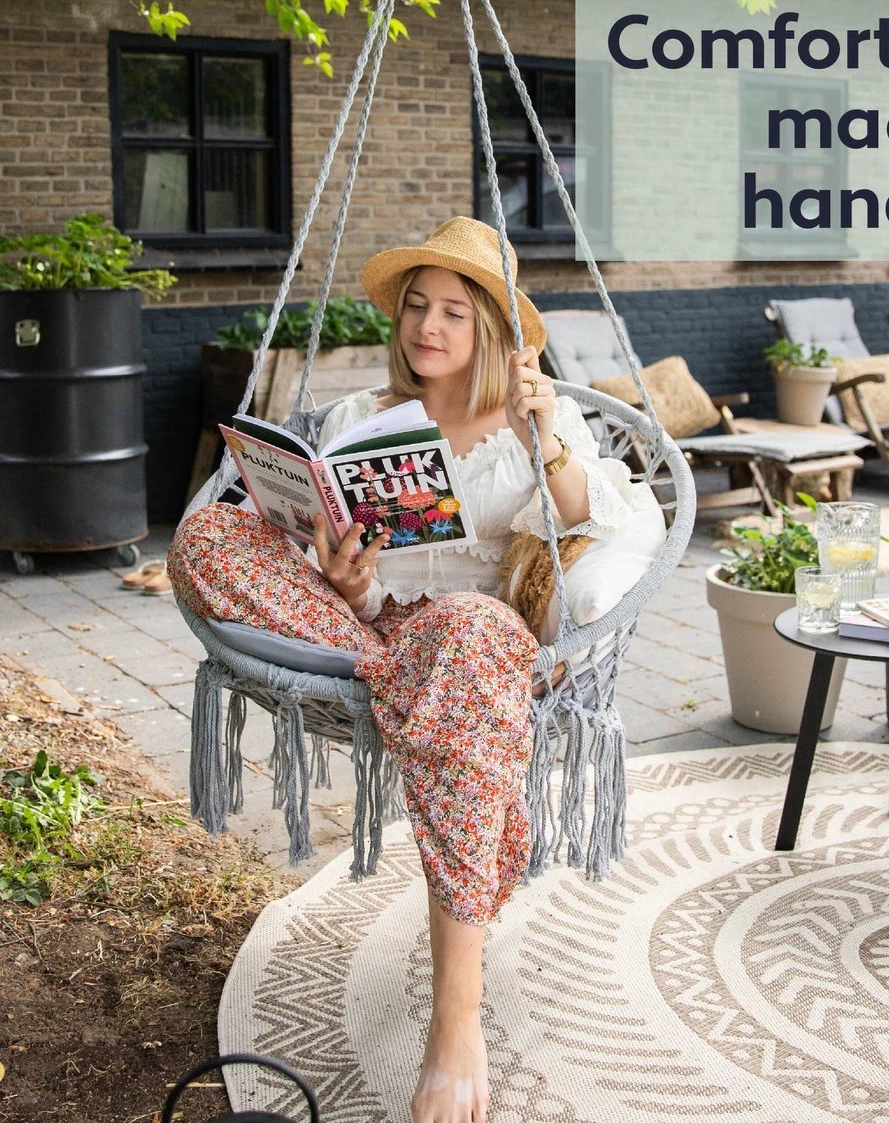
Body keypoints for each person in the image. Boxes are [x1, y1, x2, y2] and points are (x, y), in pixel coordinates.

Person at [167, 216, 635, 1123]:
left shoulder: (540, 418)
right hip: (367, 629)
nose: (428, 325)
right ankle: (416, 688)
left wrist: (546, 439)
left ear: (492, 328)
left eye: (454, 311)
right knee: (206, 537)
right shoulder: (359, 419)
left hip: (478, 634)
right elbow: (325, 566)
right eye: (416, 306)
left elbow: (593, 523)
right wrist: (343, 580)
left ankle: (455, 1019)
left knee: (466, 627)